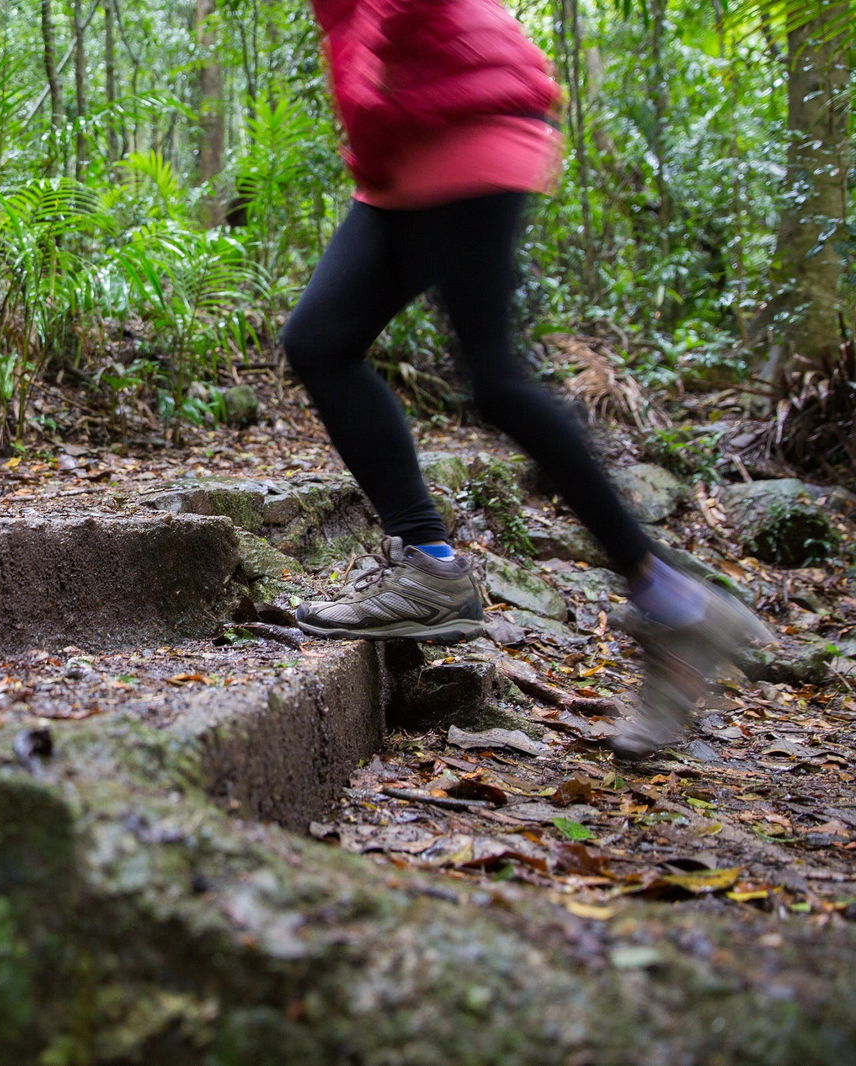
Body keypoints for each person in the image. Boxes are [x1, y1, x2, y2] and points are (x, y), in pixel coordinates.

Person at [283, 0, 770, 758]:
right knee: (320, 340)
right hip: (420, 132)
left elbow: (369, 24)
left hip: (461, 129)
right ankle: (431, 565)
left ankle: (673, 602)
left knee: (494, 377)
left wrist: (370, 119)